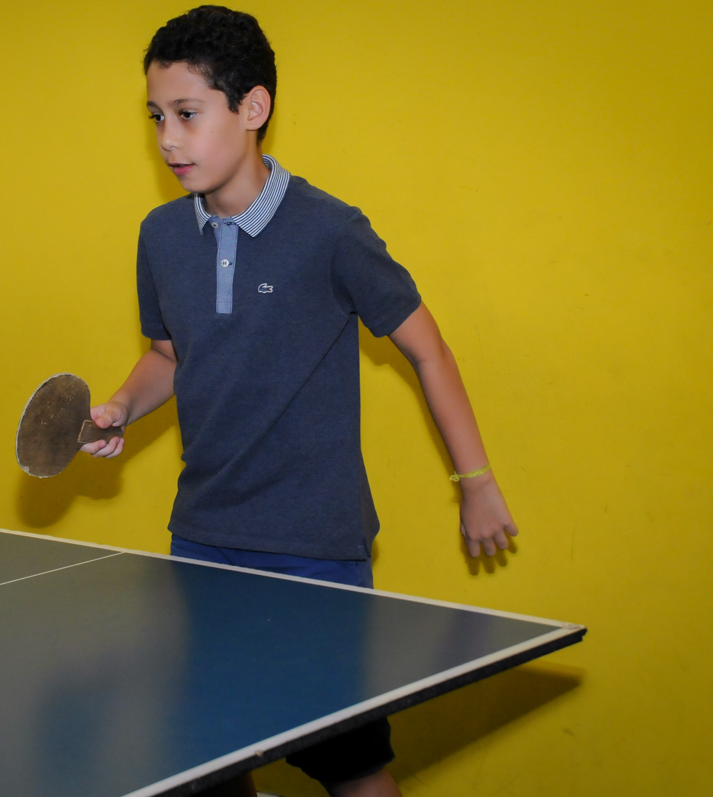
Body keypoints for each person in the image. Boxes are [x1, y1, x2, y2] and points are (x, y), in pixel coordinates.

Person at [82, 7, 518, 796]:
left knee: (350, 764)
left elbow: (429, 350)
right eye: (156, 118)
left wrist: (476, 482)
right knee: (210, 753)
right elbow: (167, 357)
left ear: (252, 109)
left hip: (313, 547)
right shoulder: (160, 237)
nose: (168, 140)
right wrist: (118, 406)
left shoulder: (330, 231)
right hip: (204, 537)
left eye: (187, 114)